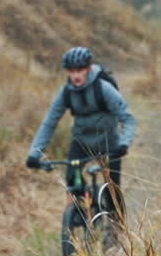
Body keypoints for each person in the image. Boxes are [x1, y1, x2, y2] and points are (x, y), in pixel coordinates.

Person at [25, 46, 137, 222]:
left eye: (80, 70)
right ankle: (74, 224)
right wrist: (34, 154)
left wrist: (123, 144)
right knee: (71, 182)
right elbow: (49, 123)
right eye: (71, 71)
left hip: (109, 142)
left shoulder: (104, 88)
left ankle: (118, 228)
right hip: (82, 142)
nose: (75, 75)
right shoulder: (67, 92)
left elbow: (128, 119)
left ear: (89, 68)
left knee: (113, 188)